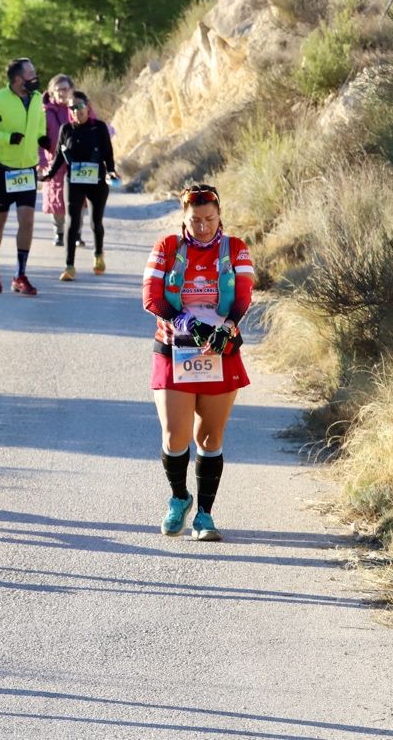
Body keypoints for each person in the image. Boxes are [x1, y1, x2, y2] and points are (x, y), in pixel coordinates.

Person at [142, 184, 255, 542]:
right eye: (195, 220)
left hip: (219, 351)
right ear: (184, 218)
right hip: (175, 348)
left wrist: (228, 327)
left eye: (209, 218)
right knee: (175, 435)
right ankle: (179, 497)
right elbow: (151, 297)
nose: (203, 226)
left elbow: (243, 295)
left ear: (219, 215)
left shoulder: (235, 248)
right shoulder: (167, 248)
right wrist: (184, 323)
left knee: (209, 435)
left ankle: (204, 514)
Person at [0, 57, 47, 296]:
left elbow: (40, 123)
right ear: (17, 79)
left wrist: (42, 138)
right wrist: (6, 138)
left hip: (27, 169)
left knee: (27, 221)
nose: (35, 77)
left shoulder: (36, 98)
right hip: (3, 169)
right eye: (30, 73)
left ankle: (20, 274)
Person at [40, 90, 117, 281]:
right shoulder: (66, 129)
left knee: (95, 221)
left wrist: (111, 171)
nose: (76, 111)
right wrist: (48, 175)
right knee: (72, 222)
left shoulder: (98, 127)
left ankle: (98, 255)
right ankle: (69, 266)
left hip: (96, 181)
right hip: (74, 181)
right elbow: (59, 156)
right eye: (72, 108)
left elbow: (108, 153)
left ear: (87, 107)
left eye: (80, 107)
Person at [39, 75, 74, 247]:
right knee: (56, 200)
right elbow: (39, 138)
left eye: (65, 89)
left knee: (77, 200)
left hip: (76, 161)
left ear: (71, 90)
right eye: (58, 89)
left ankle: (76, 232)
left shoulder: (77, 107)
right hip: (53, 161)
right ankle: (59, 232)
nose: (62, 92)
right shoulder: (45, 112)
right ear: (52, 91)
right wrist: (41, 163)